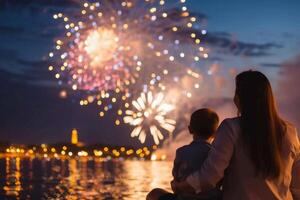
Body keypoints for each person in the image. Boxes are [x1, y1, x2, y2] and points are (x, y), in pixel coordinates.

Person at [173, 70, 300, 200]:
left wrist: (180, 186)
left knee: (156, 193)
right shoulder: (290, 132)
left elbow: (209, 177)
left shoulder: (231, 128)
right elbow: (297, 186)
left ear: (240, 98)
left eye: (236, 92)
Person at [147, 108, 221, 200]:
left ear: (190, 129)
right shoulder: (217, 154)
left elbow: (176, 182)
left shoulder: (181, 152)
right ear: (216, 133)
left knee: (154, 193)